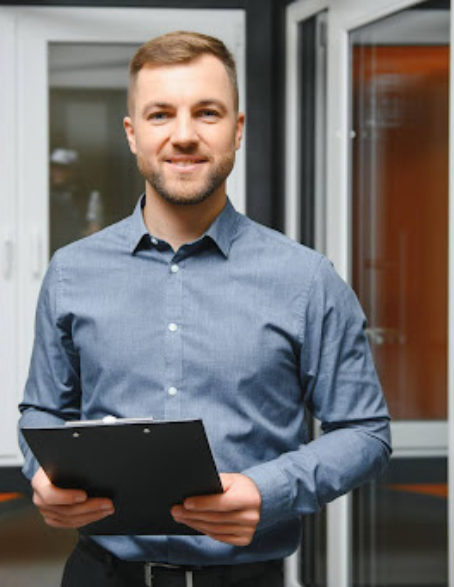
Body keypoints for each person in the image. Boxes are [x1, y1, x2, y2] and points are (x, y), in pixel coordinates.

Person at [19, 31, 391, 587]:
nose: (184, 135)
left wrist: (270, 490)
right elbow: (42, 411)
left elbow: (365, 430)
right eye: (161, 114)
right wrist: (42, 473)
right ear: (133, 133)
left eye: (208, 113)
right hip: (102, 574)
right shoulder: (71, 272)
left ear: (237, 130)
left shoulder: (307, 279)